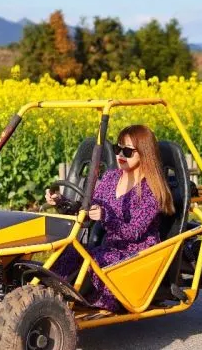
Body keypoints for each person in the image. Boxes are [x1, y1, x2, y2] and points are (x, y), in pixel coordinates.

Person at [44, 124, 175, 312]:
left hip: (139, 255)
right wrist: (61, 201)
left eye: (128, 151)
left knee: (95, 260)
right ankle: (49, 297)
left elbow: (134, 232)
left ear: (145, 154)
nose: (120, 155)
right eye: (117, 148)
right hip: (111, 246)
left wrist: (106, 217)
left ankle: (89, 302)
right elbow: (87, 207)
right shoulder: (111, 178)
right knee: (69, 251)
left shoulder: (151, 190)